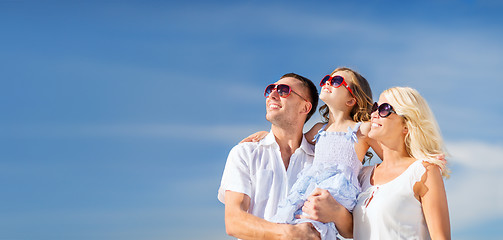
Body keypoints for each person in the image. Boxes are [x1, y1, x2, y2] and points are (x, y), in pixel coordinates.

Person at [242, 67, 380, 239]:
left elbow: (390, 153)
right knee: (296, 220)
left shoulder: (362, 129)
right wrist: (267, 135)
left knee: (314, 226)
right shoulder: (318, 129)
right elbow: (291, 139)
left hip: (338, 190)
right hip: (311, 186)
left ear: (352, 100)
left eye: (336, 81)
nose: (328, 82)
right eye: (326, 79)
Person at [217, 73, 325, 239]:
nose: (272, 95)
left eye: (283, 90)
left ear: (305, 107)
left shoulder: (322, 160)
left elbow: (355, 124)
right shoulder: (244, 153)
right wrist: (289, 233)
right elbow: (234, 220)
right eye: (270, 90)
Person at [352, 87, 451, 239]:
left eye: (384, 109)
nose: (374, 114)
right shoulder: (362, 175)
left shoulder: (424, 171)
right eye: (375, 107)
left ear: (406, 125)